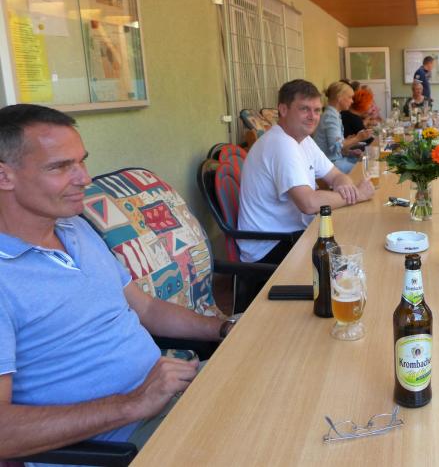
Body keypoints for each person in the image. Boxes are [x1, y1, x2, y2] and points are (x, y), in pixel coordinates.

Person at [0, 104, 231, 459]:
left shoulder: (74, 227)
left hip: (170, 399)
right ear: (4, 177)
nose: (84, 178)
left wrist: (224, 328)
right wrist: (133, 403)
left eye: (82, 161)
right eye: (60, 167)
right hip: (119, 446)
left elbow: (146, 308)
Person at [238, 80, 374, 264]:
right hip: (269, 247)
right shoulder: (281, 144)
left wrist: (345, 186)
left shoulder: (304, 140)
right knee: (353, 253)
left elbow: (335, 175)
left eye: (317, 110)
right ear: (283, 110)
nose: (313, 116)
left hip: (295, 232)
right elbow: (308, 203)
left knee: (357, 237)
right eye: (304, 109)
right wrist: (358, 195)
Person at [312, 81, 372, 173]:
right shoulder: (330, 116)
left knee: (368, 162)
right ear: (340, 98)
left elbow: (334, 148)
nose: (352, 101)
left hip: (334, 161)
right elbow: (336, 146)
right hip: (328, 165)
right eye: (350, 97)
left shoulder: (334, 114)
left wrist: (349, 152)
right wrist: (358, 138)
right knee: (367, 168)